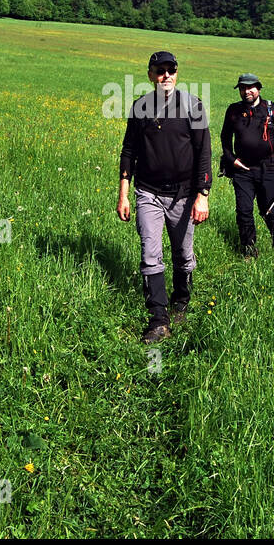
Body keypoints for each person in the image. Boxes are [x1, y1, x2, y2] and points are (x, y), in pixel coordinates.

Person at [117, 50, 211, 344]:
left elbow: (204, 154)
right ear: (150, 75)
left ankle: (181, 301)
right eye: (160, 71)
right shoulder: (140, 107)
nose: (166, 75)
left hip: (184, 195)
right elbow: (128, 151)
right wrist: (123, 194)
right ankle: (159, 319)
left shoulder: (193, 106)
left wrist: (202, 195)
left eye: (171, 70)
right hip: (148, 193)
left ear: (177, 73)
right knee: (150, 254)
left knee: (183, 255)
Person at [220, 73, 274, 258]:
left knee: (267, 209)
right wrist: (231, 159)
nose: (246, 91)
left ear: (258, 88)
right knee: (244, 211)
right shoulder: (233, 110)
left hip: (268, 168)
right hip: (242, 170)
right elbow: (225, 137)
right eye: (242, 88)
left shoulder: (271, 109)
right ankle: (249, 251)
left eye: (250, 87)